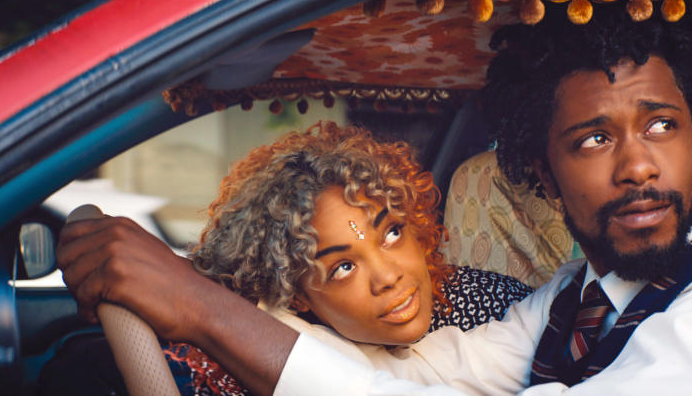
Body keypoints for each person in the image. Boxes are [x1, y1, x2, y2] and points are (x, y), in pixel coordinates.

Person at [57, 3, 692, 395]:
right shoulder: (573, 297)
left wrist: (200, 309)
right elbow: (422, 374)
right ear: (538, 168)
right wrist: (211, 312)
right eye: (592, 140)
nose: (635, 165)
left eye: (662, 125)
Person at [55, 122, 532, 395]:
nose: (388, 277)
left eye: (391, 232)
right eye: (342, 267)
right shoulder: (268, 342)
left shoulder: (497, 306)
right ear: (296, 296)